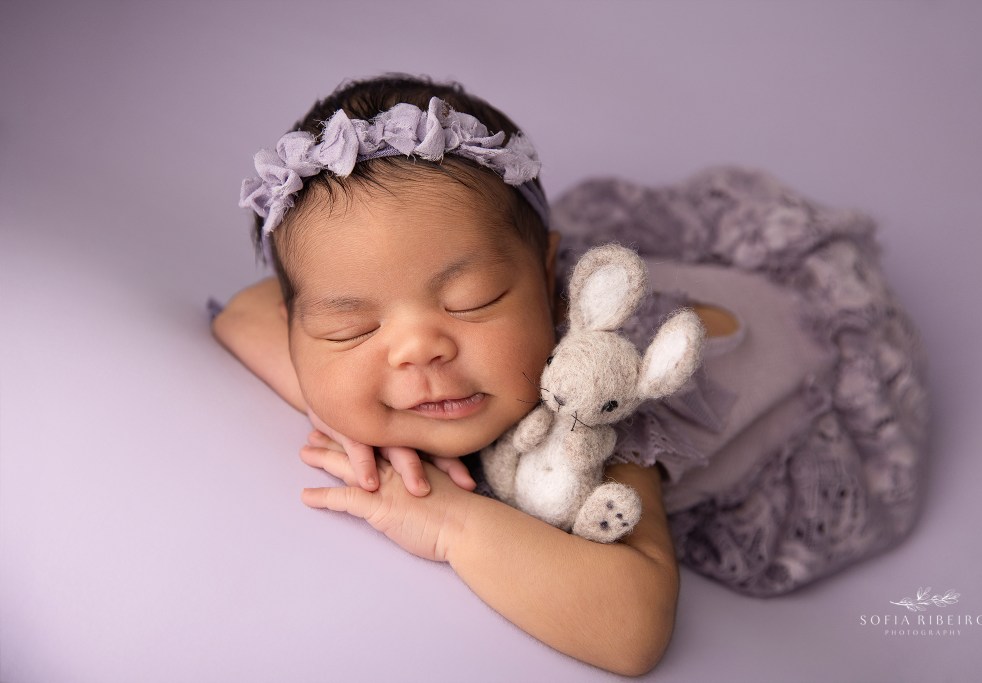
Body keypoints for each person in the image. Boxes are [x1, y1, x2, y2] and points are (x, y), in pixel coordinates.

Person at [213, 74, 928, 675]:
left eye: (472, 300)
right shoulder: (394, 327)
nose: (416, 351)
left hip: (804, 358)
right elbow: (242, 314)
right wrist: (347, 405)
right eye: (353, 327)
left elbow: (632, 626)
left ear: (551, 276)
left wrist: (454, 522)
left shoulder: (598, 404)